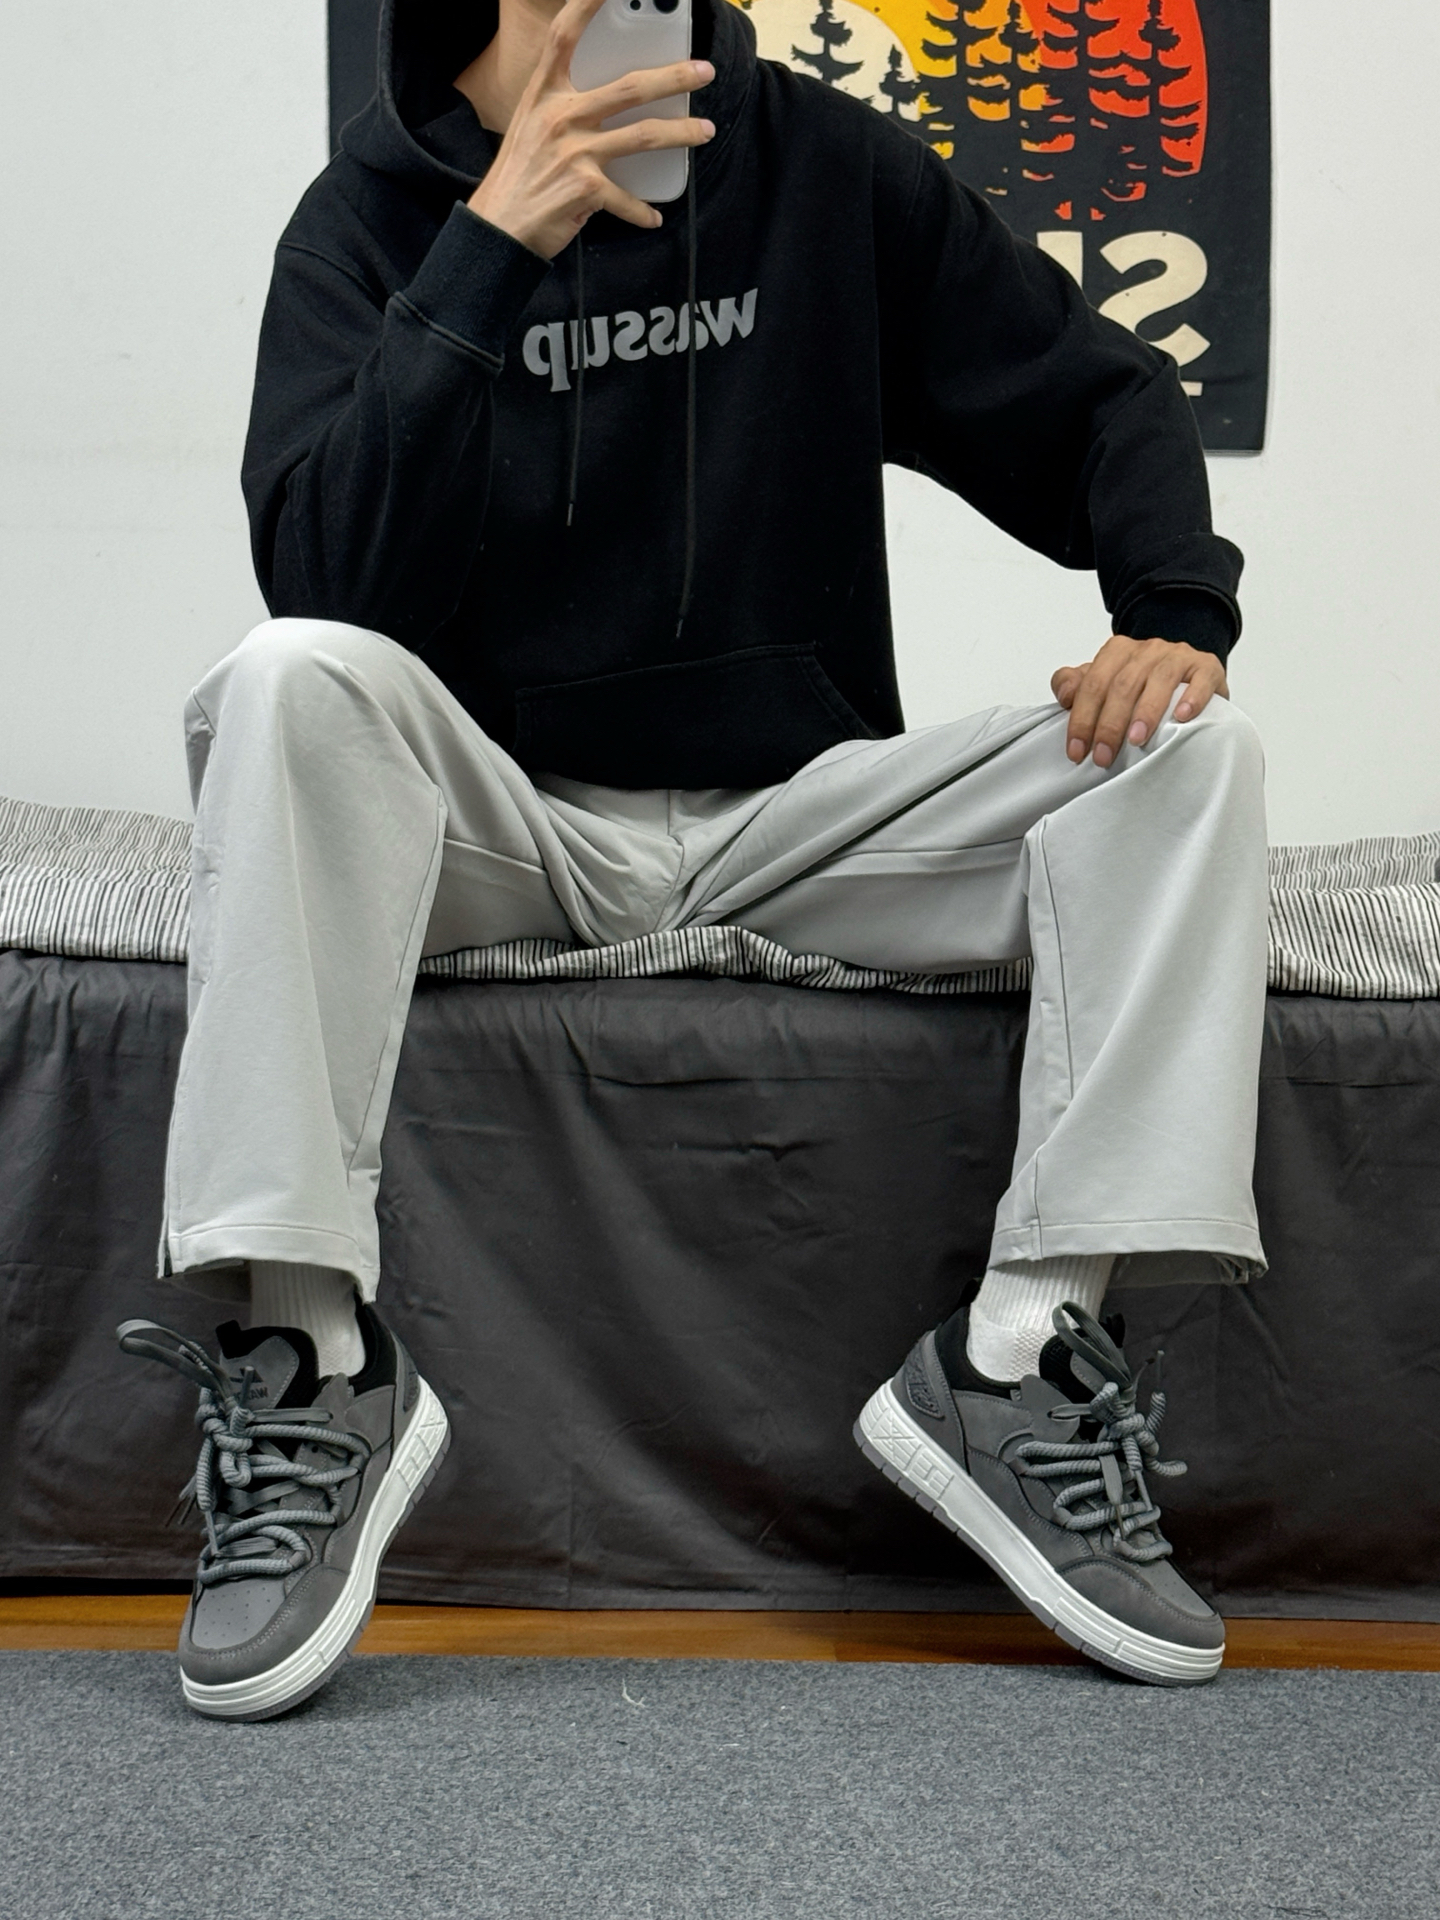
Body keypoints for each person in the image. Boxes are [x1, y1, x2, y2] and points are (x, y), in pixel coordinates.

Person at [120, 0, 1268, 1716]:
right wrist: (489, 254)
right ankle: (311, 1355)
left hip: (799, 822)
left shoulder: (815, 169)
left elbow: (1096, 392)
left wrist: (1170, 604)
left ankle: (1018, 1357)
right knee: (285, 679)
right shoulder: (368, 222)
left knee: (1196, 751)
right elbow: (327, 580)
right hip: (505, 823)